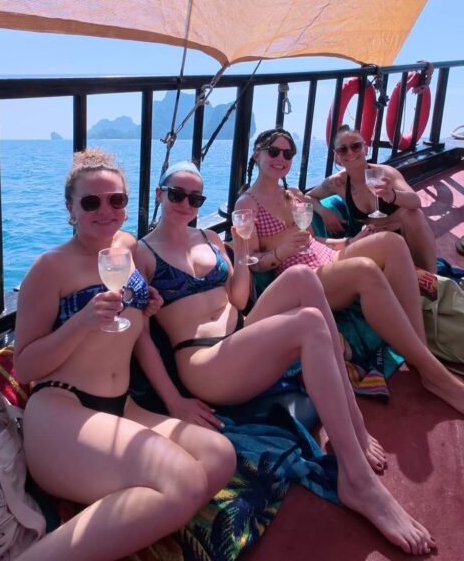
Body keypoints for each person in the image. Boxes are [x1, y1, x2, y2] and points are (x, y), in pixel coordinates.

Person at [136, 161, 435, 556]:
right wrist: (174, 403)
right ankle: (357, 479)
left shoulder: (210, 237)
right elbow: (139, 334)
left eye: (195, 198)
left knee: (303, 279)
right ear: (160, 194)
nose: (185, 204)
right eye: (176, 194)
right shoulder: (142, 252)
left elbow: (239, 301)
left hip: (239, 336)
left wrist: (241, 250)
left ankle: (355, 426)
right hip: (205, 363)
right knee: (309, 324)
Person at [13, 149, 236, 561]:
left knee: (220, 457)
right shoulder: (49, 268)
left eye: (116, 200)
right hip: (62, 411)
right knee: (184, 482)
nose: (105, 211)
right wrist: (80, 321)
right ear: (70, 208)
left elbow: (140, 336)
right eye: (90, 202)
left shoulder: (128, 249)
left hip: (123, 408)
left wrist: (174, 400)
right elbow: (24, 365)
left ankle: (120, 513)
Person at [236, 128, 464, 426]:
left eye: (288, 153)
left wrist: (351, 242)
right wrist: (279, 253)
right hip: (304, 278)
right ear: (256, 154)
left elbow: (316, 243)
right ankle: (435, 374)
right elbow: (251, 261)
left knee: (392, 243)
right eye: (273, 151)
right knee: (365, 269)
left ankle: (421, 352)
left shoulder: (294, 195)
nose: (281, 158)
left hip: (329, 259)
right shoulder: (247, 205)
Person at [306, 125, 437, 271]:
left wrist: (392, 195)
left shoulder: (386, 173)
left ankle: (433, 278)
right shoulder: (338, 183)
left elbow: (415, 201)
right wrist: (324, 212)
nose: (350, 152)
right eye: (343, 149)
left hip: (404, 234)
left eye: (356, 146)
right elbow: (308, 197)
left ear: (365, 149)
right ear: (337, 156)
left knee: (414, 216)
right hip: (375, 238)